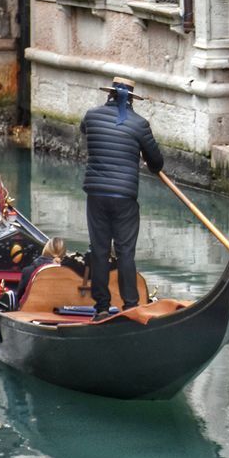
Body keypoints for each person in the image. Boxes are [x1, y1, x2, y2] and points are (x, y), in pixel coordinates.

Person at [80, 76, 164, 319]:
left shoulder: (92, 115)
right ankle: (130, 306)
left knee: (99, 250)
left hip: (96, 194)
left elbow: (85, 130)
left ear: (110, 95)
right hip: (124, 196)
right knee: (125, 251)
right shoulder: (139, 125)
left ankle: (102, 308)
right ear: (131, 100)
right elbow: (157, 163)